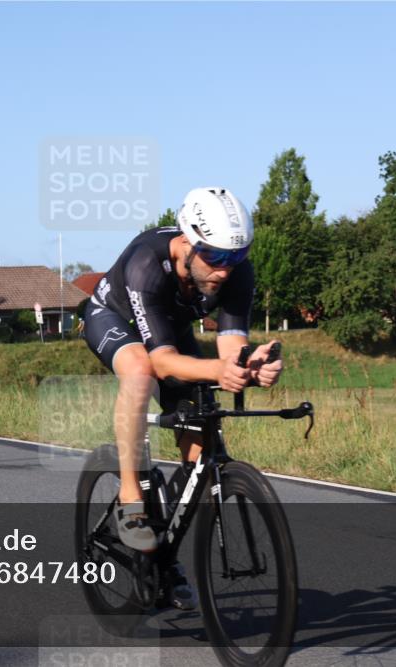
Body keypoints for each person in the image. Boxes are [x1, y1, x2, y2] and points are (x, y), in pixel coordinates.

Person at [81, 187, 284, 610]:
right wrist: (216, 369)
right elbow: (162, 362)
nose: (225, 270)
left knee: (200, 443)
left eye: (236, 257)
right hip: (114, 319)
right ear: (189, 244)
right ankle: (132, 501)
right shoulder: (146, 263)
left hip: (169, 331)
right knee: (139, 372)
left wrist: (251, 366)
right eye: (215, 257)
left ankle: (163, 547)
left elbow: (230, 352)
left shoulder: (234, 272)